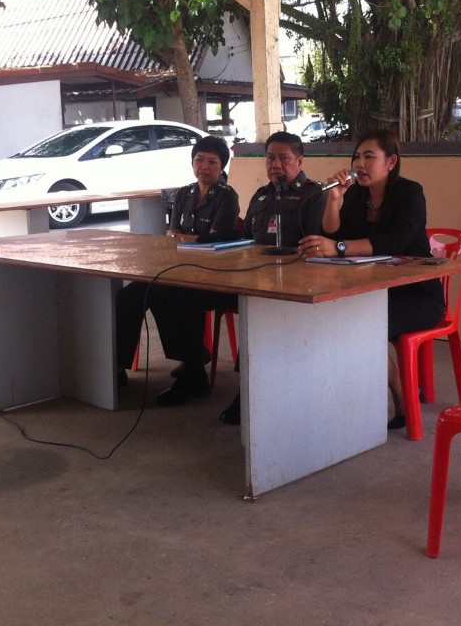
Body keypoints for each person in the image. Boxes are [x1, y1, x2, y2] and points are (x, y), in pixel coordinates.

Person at [297, 128, 444, 430]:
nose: (359, 164)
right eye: (356, 157)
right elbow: (335, 233)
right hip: (372, 288)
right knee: (335, 316)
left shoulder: (410, 193)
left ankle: (400, 394)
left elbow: (396, 241)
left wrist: (338, 247)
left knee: (360, 325)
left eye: (369, 157)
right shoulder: (357, 195)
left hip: (415, 293)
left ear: (391, 162)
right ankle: (348, 395)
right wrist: (334, 199)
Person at [115, 135, 240, 406]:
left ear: (222, 167)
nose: (204, 166)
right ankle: (117, 366)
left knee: (174, 294)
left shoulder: (227, 196)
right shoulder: (184, 193)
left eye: (212, 162)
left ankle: (194, 374)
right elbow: (172, 235)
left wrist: (186, 238)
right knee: (131, 295)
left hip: (213, 274)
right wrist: (186, 238)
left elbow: (212, 240)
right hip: (180, 268)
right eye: (199, 160)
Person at [218, 130, 328, 424]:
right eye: (270, 158)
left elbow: (316, 243)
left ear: (300, 161)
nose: (275, 164)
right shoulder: (261, 195)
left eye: (283, 158)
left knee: (260, 309)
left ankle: (249, 393)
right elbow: (245, 239)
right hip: (259, 278)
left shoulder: (315, 194)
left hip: (300, 282)